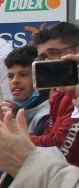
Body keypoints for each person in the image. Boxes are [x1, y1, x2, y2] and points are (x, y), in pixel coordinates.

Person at [28, 21, 79, 165]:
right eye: (43, 58)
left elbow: (63, 149)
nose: (48, 62)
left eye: (55, 53)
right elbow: (51, 137)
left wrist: (21, 140)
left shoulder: (72, 95)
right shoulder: (56, 92)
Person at [0, 45, 52, 136]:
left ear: (42, 78)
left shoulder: (47, 114)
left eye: (23, 75)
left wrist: (14, 129)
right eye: (10, 76)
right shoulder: (18, 111)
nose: (15, 81)